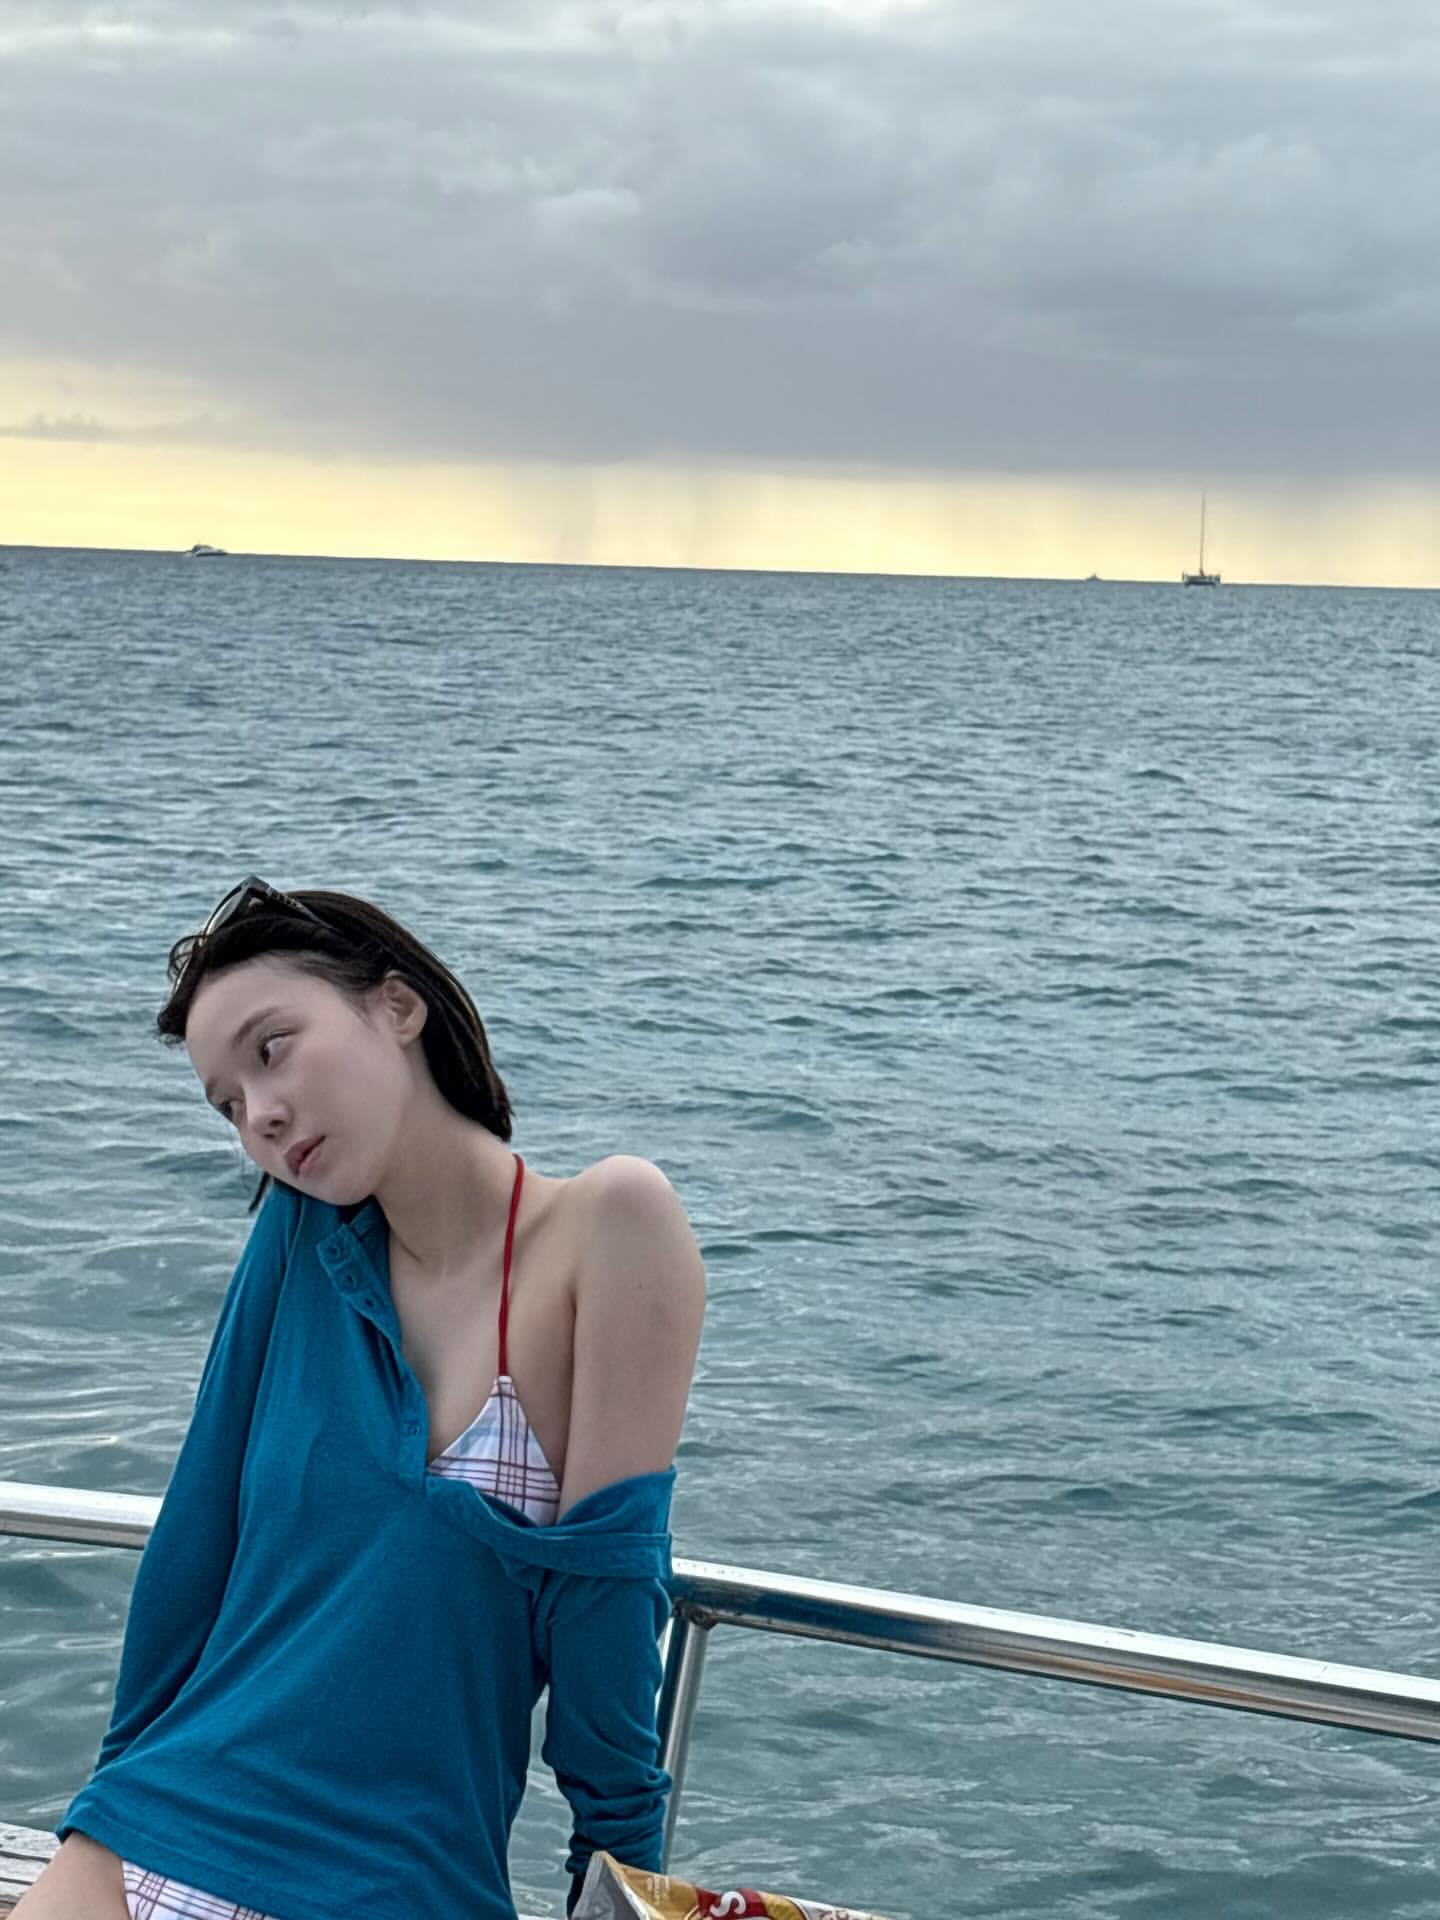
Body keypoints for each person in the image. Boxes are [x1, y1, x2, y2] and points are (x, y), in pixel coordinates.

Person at [16, 877, 706, 1920]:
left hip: (399, 1878)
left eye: (272, 1049)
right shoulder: (297, 1238)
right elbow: (194, 1544)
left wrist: (615, 1882)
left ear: (397, 1004)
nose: (260, 1115)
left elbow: (606, 1602)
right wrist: (102, 1808)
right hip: (155, 1824)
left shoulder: (610, 1225)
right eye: (228, 1105)